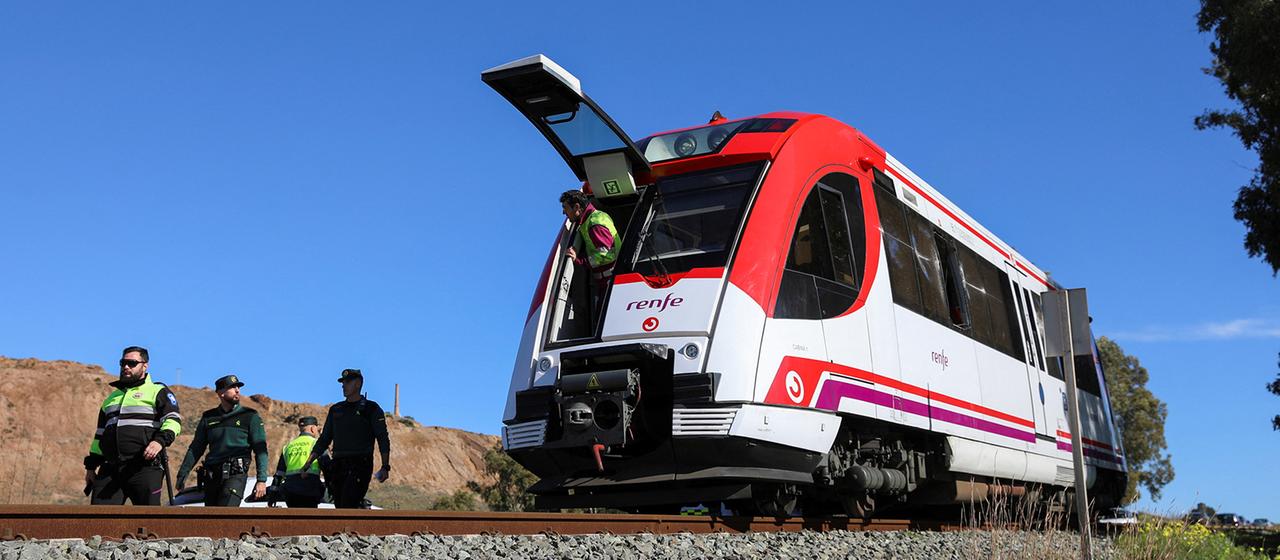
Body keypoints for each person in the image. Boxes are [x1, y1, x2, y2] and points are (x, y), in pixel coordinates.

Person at [84, 346, 182, 505]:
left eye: (132, 363)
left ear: (145, 366)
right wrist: (91, 467)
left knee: (149, 520)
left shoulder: (158, 391)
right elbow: (99, 436)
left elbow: (173, 421)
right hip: (110, 469)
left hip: (144, 468)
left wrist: (159, 441)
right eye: (123, 363)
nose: (126, 367)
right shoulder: (111, 399)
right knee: (99, 522)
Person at [301, 368, 390, 509]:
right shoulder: (336, 409)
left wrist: (385, 466)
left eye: (348, 382)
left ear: (358, 383)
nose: (343, 385)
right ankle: (347, 529)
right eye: (343, 382)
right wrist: (308, 463)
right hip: (338, 464)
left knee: (349, 503)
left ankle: (350, 528)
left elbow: (382, 438)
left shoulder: (371, 409)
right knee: (340, 506)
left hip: (360, 463)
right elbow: (324, 439)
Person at [175, 374, 269, 506]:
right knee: (211, 519)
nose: (237, 390)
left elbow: (261, 450)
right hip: (212, 476)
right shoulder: (208, 417)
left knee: (227, 516)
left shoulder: (250, 416)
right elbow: (196, 448)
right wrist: (182, 474)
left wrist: (261, 480)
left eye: (238, 387)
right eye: (232, 387)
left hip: (235, 474)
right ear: (221, 393)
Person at [560, 189, 620, 310]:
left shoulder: (594, 223)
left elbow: (606, 255)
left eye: (565, 208)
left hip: (610, 281)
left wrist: (579, 260)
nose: (563, 212)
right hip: (608, 281)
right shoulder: (597, 216)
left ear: (577, 207)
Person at [272, 416, 328, 508]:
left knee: (294, 519)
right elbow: (327, 468)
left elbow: (279, 474)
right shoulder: (317, 444)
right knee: (309, 520)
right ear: (313, 428)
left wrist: (272, 494)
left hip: (290, 492)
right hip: (310, 489)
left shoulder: (288, 447)